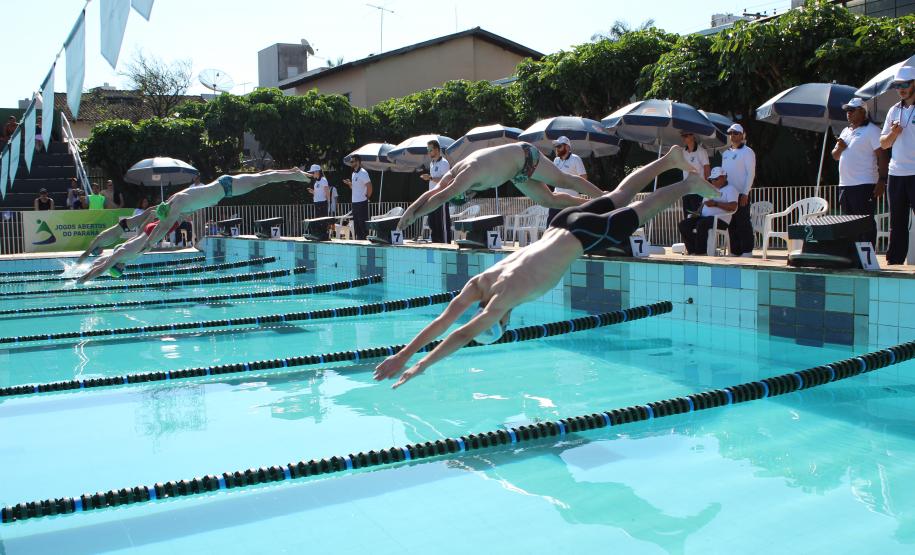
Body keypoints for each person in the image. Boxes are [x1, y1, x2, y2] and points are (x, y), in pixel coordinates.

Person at [375, 146, 716, 388]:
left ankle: (688, 184)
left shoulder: (502, 301)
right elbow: (444, 320)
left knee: (643, 210)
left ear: (500, 322)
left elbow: (462, 333)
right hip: (560, 223)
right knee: (621, 194)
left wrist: (419, 365)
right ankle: (668, 160)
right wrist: (403, 355)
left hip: (582, 236)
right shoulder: (481, 283)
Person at [396, 142, 605, 232]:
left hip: (525, 156)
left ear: (464, 192)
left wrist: (415, 216)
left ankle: (606, 198)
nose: (470, 196)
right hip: (516, 172)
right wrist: (410, 211)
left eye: (465, 196)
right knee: (548, 200)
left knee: (563, 180)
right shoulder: (452, 173)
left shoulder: (466, 175)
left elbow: (440, 197)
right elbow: (432, 192)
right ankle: (595, 204)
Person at [146, 168, 310, 246]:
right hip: (223, 183)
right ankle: (292, 171)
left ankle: (294, 175)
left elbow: (164, 227)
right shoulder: (177, 198)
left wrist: (147, 243)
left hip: (228, 188)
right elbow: (164, 217)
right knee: (263, 176)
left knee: (265, 178)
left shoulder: (180, 207)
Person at [832, 97, 888, 248]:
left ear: (863, 112)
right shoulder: (845, 131)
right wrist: (839, 148)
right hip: (845, 185)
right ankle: (853, 256)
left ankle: (867, 258)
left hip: (864, 184)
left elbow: (882, 155)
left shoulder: (873, 131)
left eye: (852, 110)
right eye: (847, 111)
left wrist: (883, 180)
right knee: (848, 223)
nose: (848, 114)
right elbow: (835, 156)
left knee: (865, 223)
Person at [880, 66, 915, 265]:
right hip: (896, 173)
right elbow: (884, 143)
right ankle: (894, 262)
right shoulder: (894, 110)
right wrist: (893, 134)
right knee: (897, 222)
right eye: (897, 85)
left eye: (905, 84)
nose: (901, 88)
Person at [677, 167, 738, 255]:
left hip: (721, 220)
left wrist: (716, 204)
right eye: (712, 179)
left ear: (724, 177)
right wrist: (697, 212)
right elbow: (703, 204)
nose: (713, 181)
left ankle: (701, 253)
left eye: (716, 179)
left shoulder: (731, 189)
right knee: (683, 224)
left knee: (702, 224)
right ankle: (692, 251)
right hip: (704, 218)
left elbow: (733, 207)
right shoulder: (710, 188)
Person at [720, 124, 756, 257]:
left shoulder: (748, 152)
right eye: (730, 133)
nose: (732, 136)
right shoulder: (725, 154)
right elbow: (724, 175)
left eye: (735, 133)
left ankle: (747, 251)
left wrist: (746, 193)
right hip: (730, 194)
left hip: (742, 193)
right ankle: (735, 251)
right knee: (732, 223)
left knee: (743, 222)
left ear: (742, 135)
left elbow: (750, 173)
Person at [76, 207, 156, 263]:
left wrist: (76, 265)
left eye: (97, 253)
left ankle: (164, 205)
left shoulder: (98, 240)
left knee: (145, 214)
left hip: (123, 225)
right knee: (145, 217)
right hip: (124, 227)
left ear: (96, 249)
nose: (101, 252)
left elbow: (86, 254)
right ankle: (158, 212)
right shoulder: (103, 243)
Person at [548, 136, 589, 225]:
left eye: (559, 146)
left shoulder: (575, 158)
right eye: (556, 147)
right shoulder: (556, 160)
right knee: (550, 226)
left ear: (567, 147)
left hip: (572, 201)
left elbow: (584, 178)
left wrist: (573, 186)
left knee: (571, 229)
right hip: (556, 199)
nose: (557, 149)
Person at [421, 140, 453, 243]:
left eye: (430, 150)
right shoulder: (432, 164)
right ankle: (436, 243)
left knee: (442, 223)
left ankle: (445, 244)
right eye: (428, 150)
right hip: (432, 197)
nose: (429, 152)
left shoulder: (444, 163)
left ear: (437, 150)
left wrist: (430, 178)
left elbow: (445, 180)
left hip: (441, 196)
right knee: (433, 223)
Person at [679, 131, 711, 216]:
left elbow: (707, 169)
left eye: (685, 135)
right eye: (682, 135)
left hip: (698, 191)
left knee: (696, 219)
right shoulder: (683, 152)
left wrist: (708, 188)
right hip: (686, 191)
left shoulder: (701, 151)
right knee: (687, 219)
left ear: (692, 136)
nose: (683, 138)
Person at [342, 155, 372, 240]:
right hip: (355, 202)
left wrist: (367, 196)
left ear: (358, 162)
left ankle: (365, 241)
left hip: (362, 202)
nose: (351, 163)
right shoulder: (354, 173)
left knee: (362, 224)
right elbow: (354, 188)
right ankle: (359, 241)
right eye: (350, 162)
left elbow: (369, 186)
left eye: (352, 161)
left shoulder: (363, 172)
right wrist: (349, 184)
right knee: (357, 224)